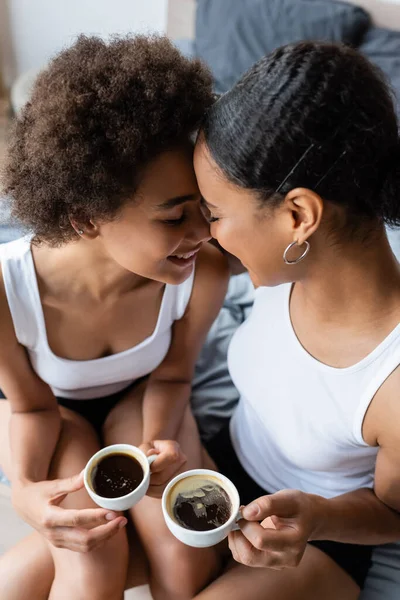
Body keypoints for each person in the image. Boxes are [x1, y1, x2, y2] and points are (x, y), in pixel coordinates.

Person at [0, 35, 229, 600]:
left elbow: (174, 375)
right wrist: (24, 489)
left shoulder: (208, 271)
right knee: (92, 552)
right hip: (57, 412)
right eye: (175, 217)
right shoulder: (6, 290)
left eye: (205, 209)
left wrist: (159, 444)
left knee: (184, 559)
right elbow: (28, 404)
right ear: (85, 218)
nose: (202, 234)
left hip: (144, 398)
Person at [193, 41, 400, 600]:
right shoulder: (289, 264)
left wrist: (315, 517)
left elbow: (392, 514)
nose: (207, 234)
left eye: (214, 215)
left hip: (323, 528)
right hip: (228, 458)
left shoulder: (394, 385)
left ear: (298, 216)